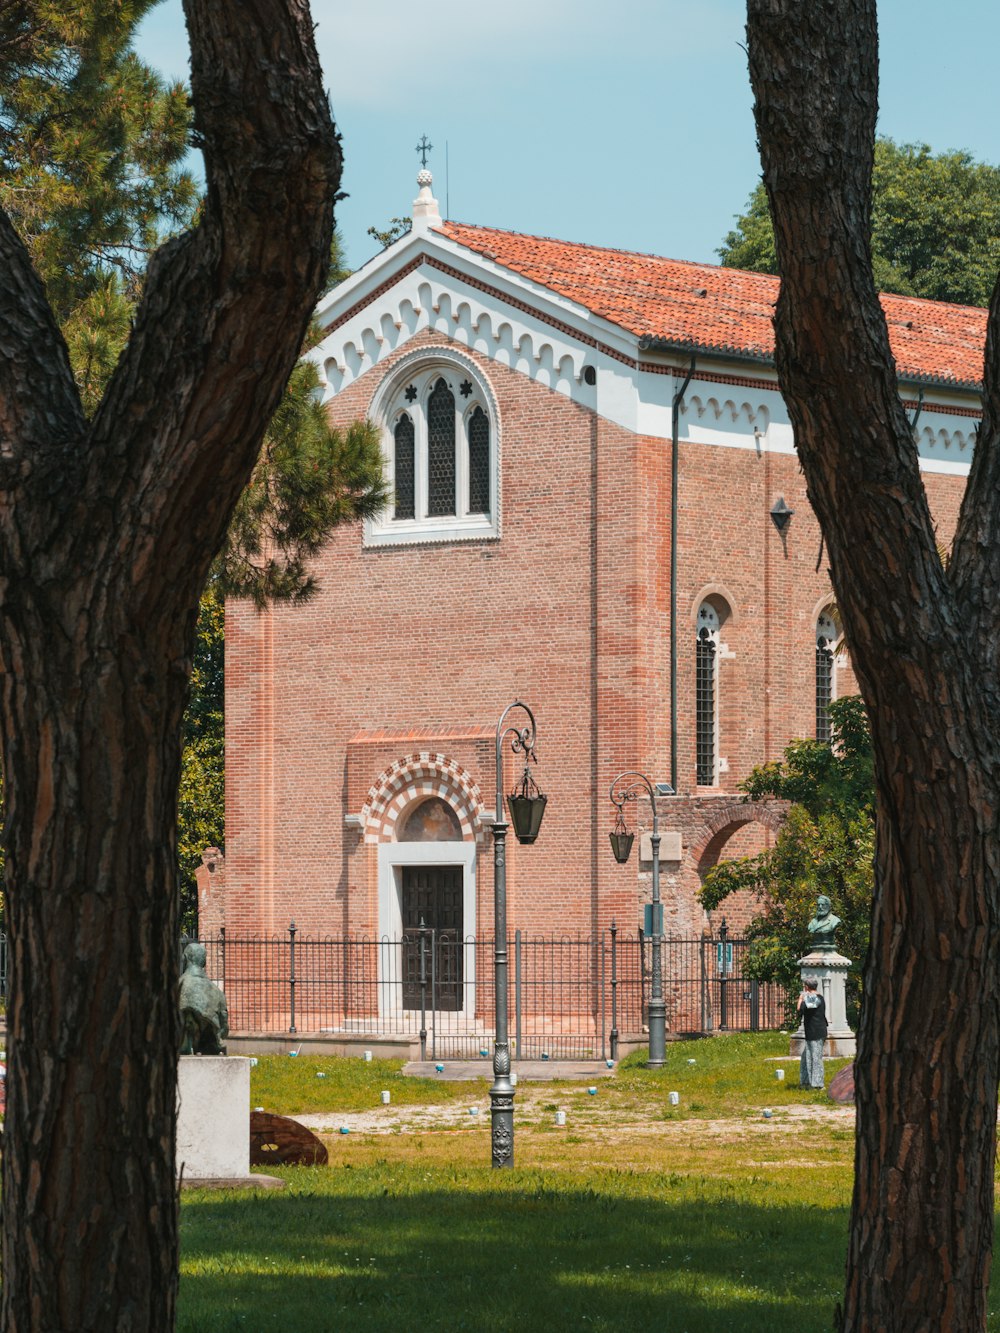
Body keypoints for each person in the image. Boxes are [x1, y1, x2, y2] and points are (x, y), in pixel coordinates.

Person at [797, 978, 827, 1089]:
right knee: (806, 1057)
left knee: (815, 1057)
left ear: (807, 987)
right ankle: (805, 1081)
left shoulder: (814, 998)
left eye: (805, 986)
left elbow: (800, 1010)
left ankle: (818, 1084)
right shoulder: (818, 997)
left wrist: (801, 998)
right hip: (813, 1030)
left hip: (816, 1031)